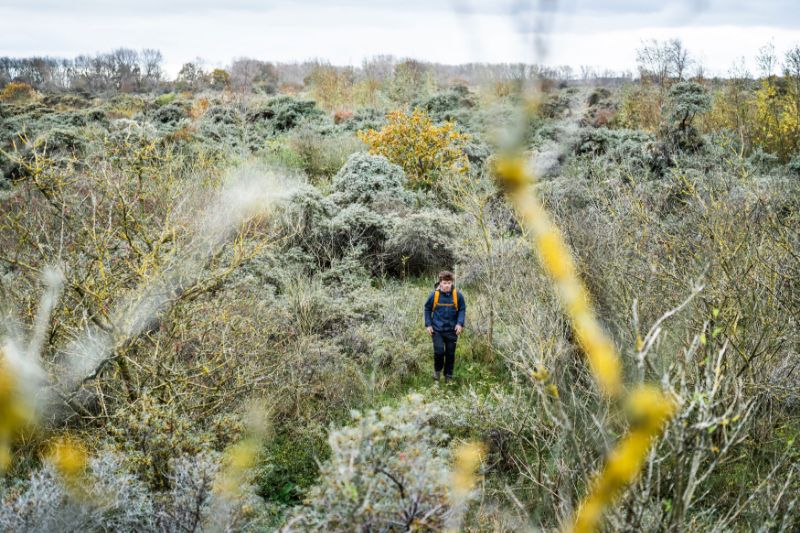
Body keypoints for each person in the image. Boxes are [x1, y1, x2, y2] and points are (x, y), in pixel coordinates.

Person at [424, 271, 466, 383]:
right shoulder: (434, 295)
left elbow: (462, 309)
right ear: (440, 283)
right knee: (439, 352)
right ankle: (437, 372)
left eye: (449, 283)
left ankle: (448, 376)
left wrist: (460, 323)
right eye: (444, 283)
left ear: (452, 283)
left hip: (452, 331)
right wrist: (428, 324)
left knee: (450, 354)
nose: (447, 285)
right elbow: (427, 308)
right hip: (437, 330)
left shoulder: (458, 296)